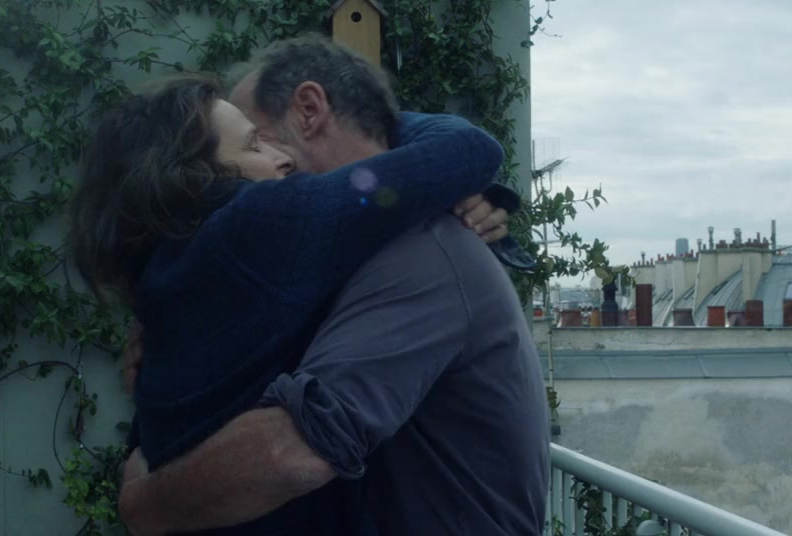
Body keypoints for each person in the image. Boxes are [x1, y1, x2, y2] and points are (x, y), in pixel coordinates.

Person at [117, 36, 549, 536]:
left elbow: (293, 452)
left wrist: (147, 504)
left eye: (258, 138)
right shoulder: (343, 255)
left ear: (309, 110)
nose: (230, 186)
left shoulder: (420, 251)